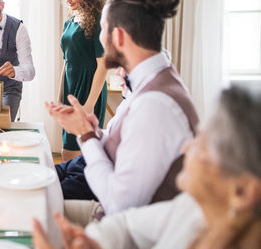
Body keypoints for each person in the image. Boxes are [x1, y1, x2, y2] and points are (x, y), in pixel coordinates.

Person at [33, 86, 261, 249]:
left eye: (203, 146)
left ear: (242, 191)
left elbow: (120, 206)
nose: (185, 148)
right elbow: (127, 224)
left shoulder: (158, 103)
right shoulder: (192, 206)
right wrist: (94, 242)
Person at [50, 0, 198, 219]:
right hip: (99, 177)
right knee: (37, 174)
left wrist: (86, 137)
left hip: (126, 224)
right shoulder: (149, 79)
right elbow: (123, 141)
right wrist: (92, 130)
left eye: (102, 29)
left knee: (30, 196)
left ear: (117, 36)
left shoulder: (155, 105)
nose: (99, 37)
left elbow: (119, 204)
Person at [58, 0, 108, 161]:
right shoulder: (70, 22)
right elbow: (66, 60)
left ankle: (82, 189)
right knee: (68, 149)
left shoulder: (98, 22)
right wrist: (61, 92)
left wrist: (89, 104)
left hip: (88, 86)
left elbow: (103, 65)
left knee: (77, 151)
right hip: (71, 86)